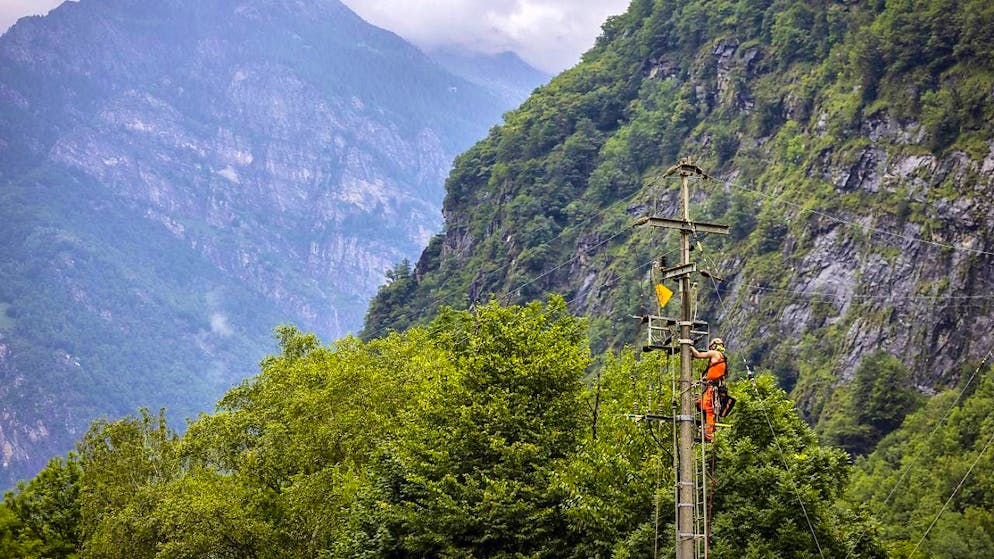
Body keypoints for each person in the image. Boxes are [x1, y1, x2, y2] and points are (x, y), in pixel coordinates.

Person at [692, 337, 727, 442]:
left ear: (714, 345)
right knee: (700, 404)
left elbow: (698, 355)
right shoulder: (722, 358)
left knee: (708, 409)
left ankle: (708, 435)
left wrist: (689, 346)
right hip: (712, 387)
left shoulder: (715, 354)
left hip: (712, 389)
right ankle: (705, 428)